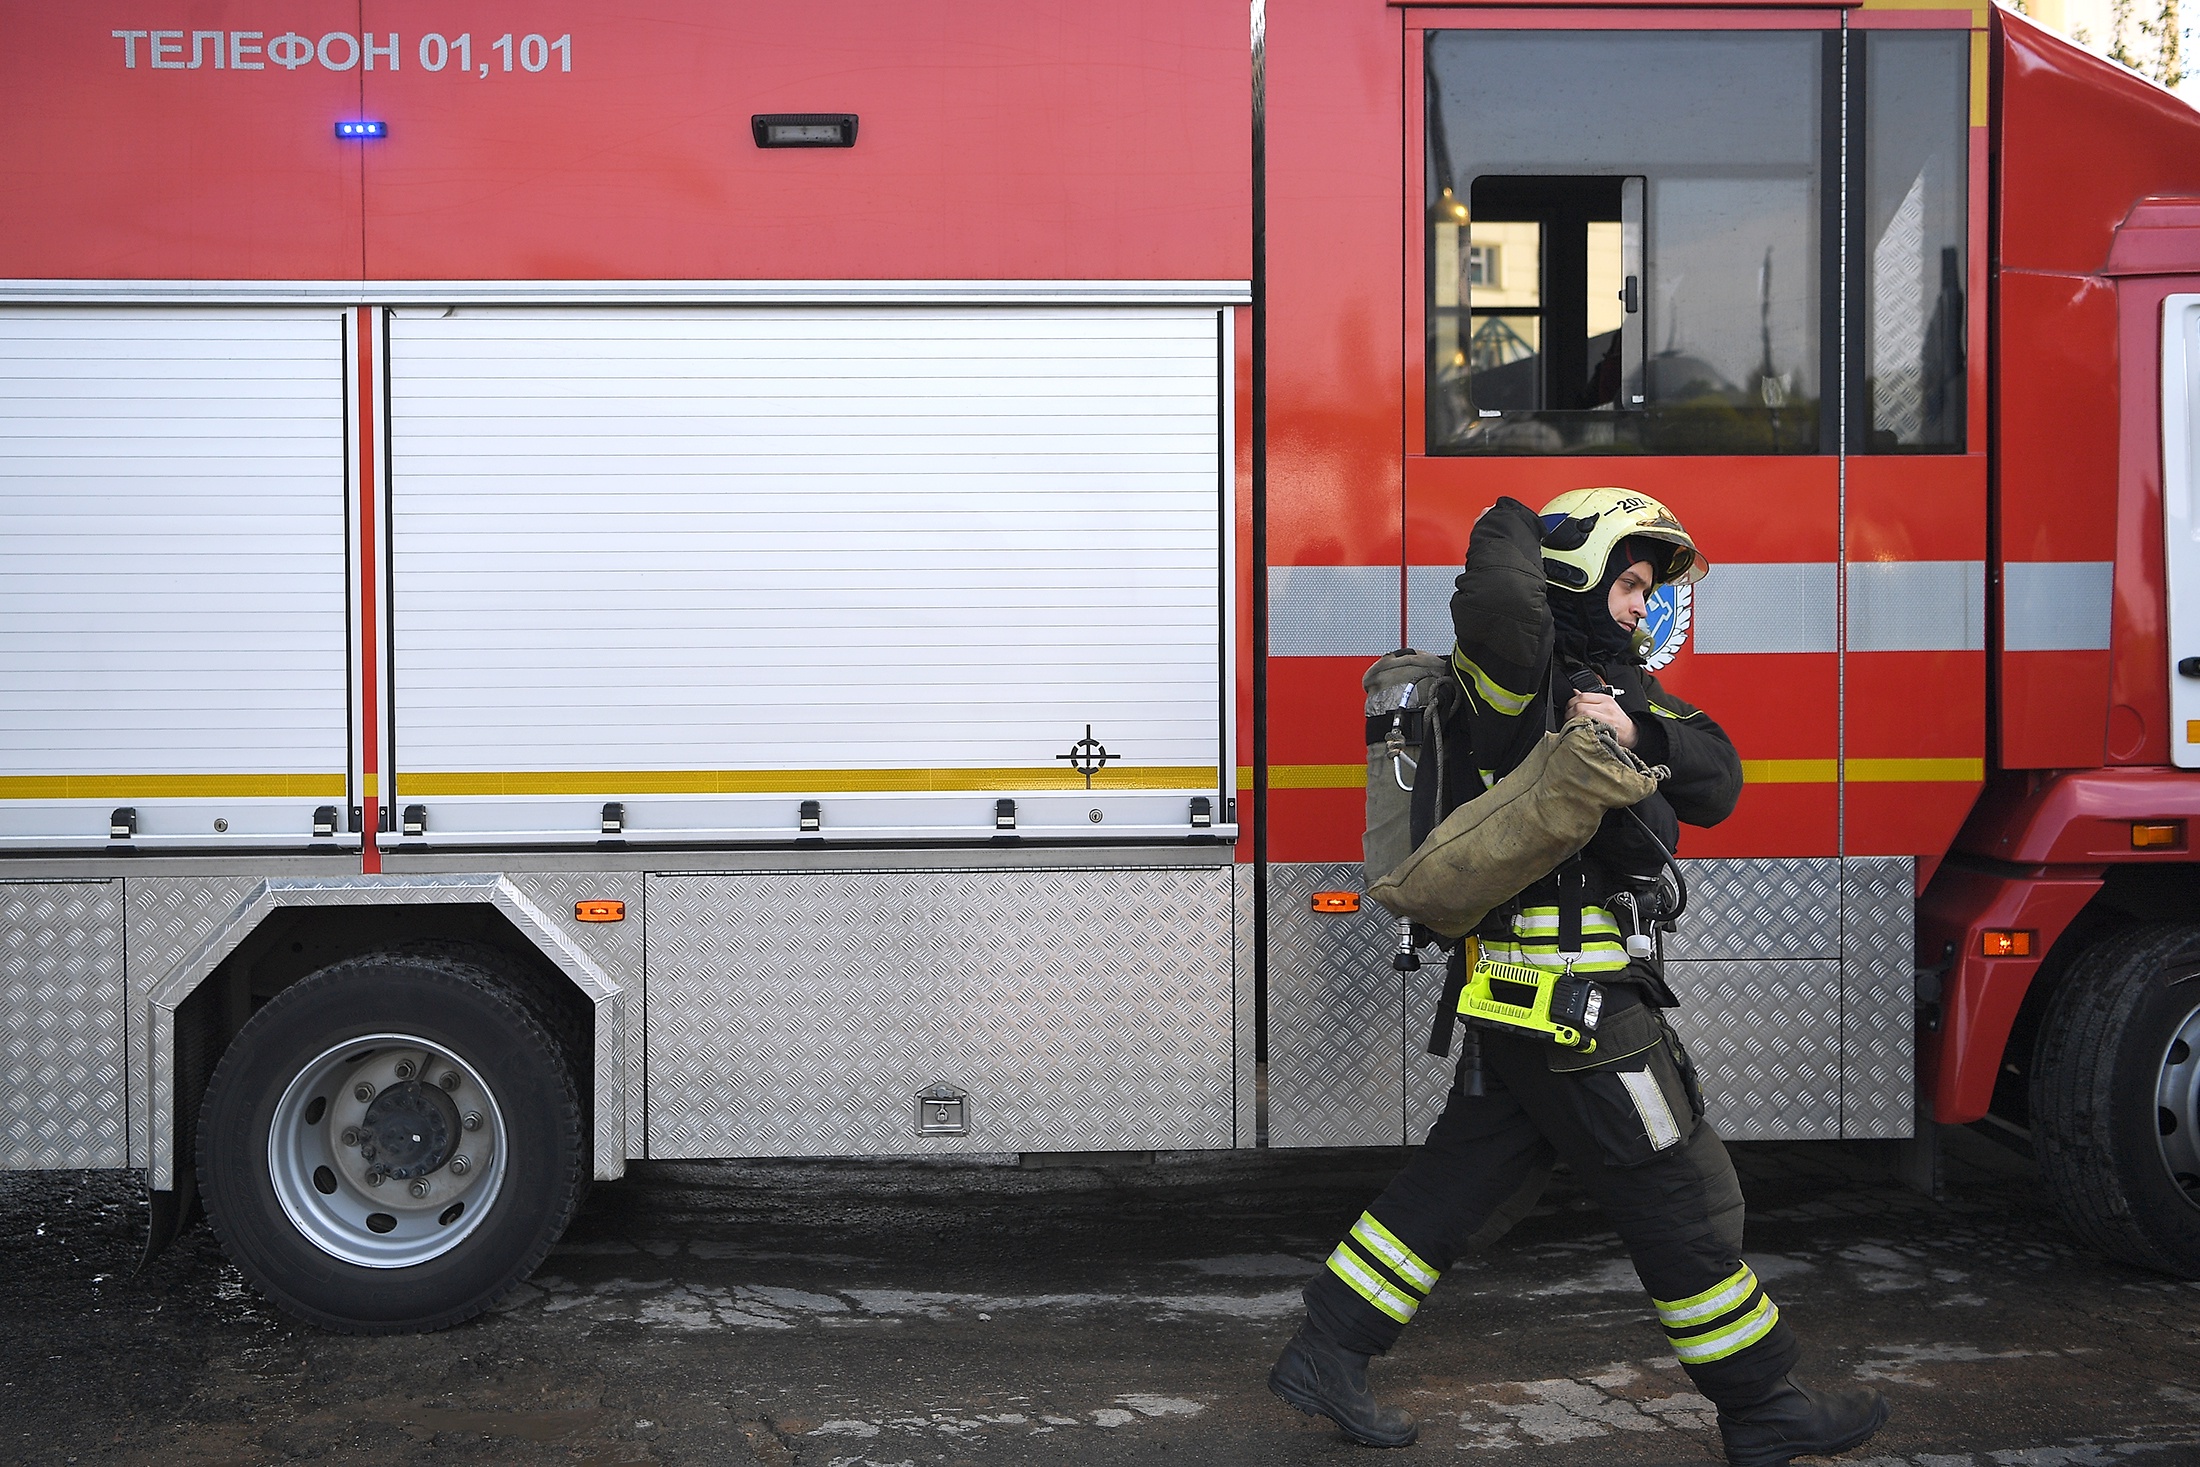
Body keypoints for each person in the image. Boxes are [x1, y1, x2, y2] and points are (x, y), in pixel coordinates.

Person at [1267, 489, 1888, 1466]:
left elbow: (1718, 780)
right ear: (1580, 575)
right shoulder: (1517, 678)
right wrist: (1525, 510)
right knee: (1676, 1194)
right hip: (1573, 1013)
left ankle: (1325, 1350)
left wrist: (1638, 728)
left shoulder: (1623, 688)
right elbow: (1497, 597)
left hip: (1528, 1009)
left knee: (1455, 1185)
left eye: (1648, 588)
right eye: (1629, 581)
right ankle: (1763, 1404)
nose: (1643, 605)